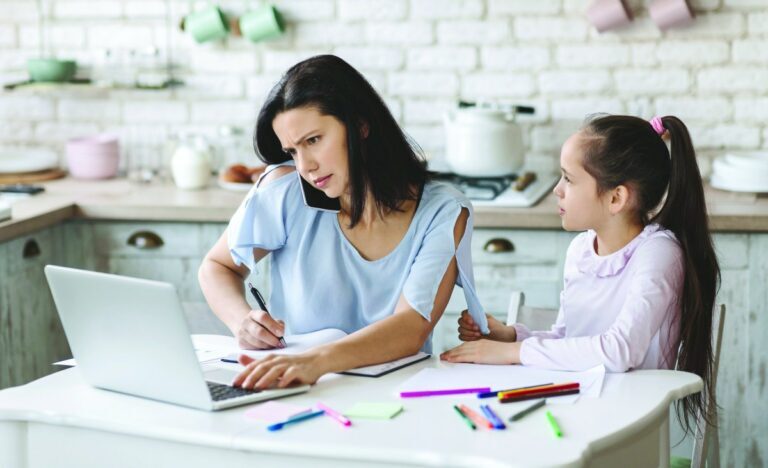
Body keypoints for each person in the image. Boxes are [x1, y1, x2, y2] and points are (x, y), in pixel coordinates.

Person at [198, 54, 487, 391]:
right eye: (292, 151)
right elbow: (217, 266)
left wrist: (315, 362)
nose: (305, 165)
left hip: (393, 397)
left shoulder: (443, 211)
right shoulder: (285, 192)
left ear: (360, 126)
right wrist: (241, 321)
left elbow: (411, 327)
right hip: (295, 388)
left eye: (313, 141)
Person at [440, 114, 720, 432]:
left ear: (616, 198)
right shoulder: (580, 251)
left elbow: (619, 351)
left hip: (631, 427)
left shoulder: (658, 253)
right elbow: (569, 339)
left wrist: (512, 352)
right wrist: (511, 335)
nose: (557, 190)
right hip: (578, 411)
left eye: (569, 179)